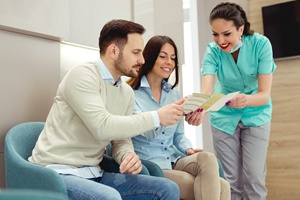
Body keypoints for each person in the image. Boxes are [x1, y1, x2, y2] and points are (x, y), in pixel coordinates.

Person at [28, 19, 183, 200]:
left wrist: (127, 155)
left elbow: (120, 139)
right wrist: (156, 117)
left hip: (95, 173)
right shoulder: (82, 76)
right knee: (109, 197)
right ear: (113, 50)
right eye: (135, 52)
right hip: (58, 173)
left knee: (167, 188)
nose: (142, 59)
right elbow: (103, 127)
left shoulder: (125, 91)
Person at [127, 35, 231, 200]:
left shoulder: (173, 93)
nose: (169, 62)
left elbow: (178, 135)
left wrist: (187, 149)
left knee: (208, 158)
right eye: (163, 56)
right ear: (149, 57)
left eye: (173, 58)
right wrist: (172, 110)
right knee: (221, 187)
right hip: (152, 165)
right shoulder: (131, 95)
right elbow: (148, 133)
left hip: (174, 160)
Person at [201, 2, 276, 200]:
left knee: (254, 178)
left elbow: (263, 95)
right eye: (215, 34)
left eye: (226, 34)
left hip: (256, 114)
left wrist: (246, 100)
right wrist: (198, 109)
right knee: (230, 181)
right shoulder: (212, 50)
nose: (220, 40)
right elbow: (206, 91)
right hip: (224, 118)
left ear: (240, 28)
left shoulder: (261, 45)